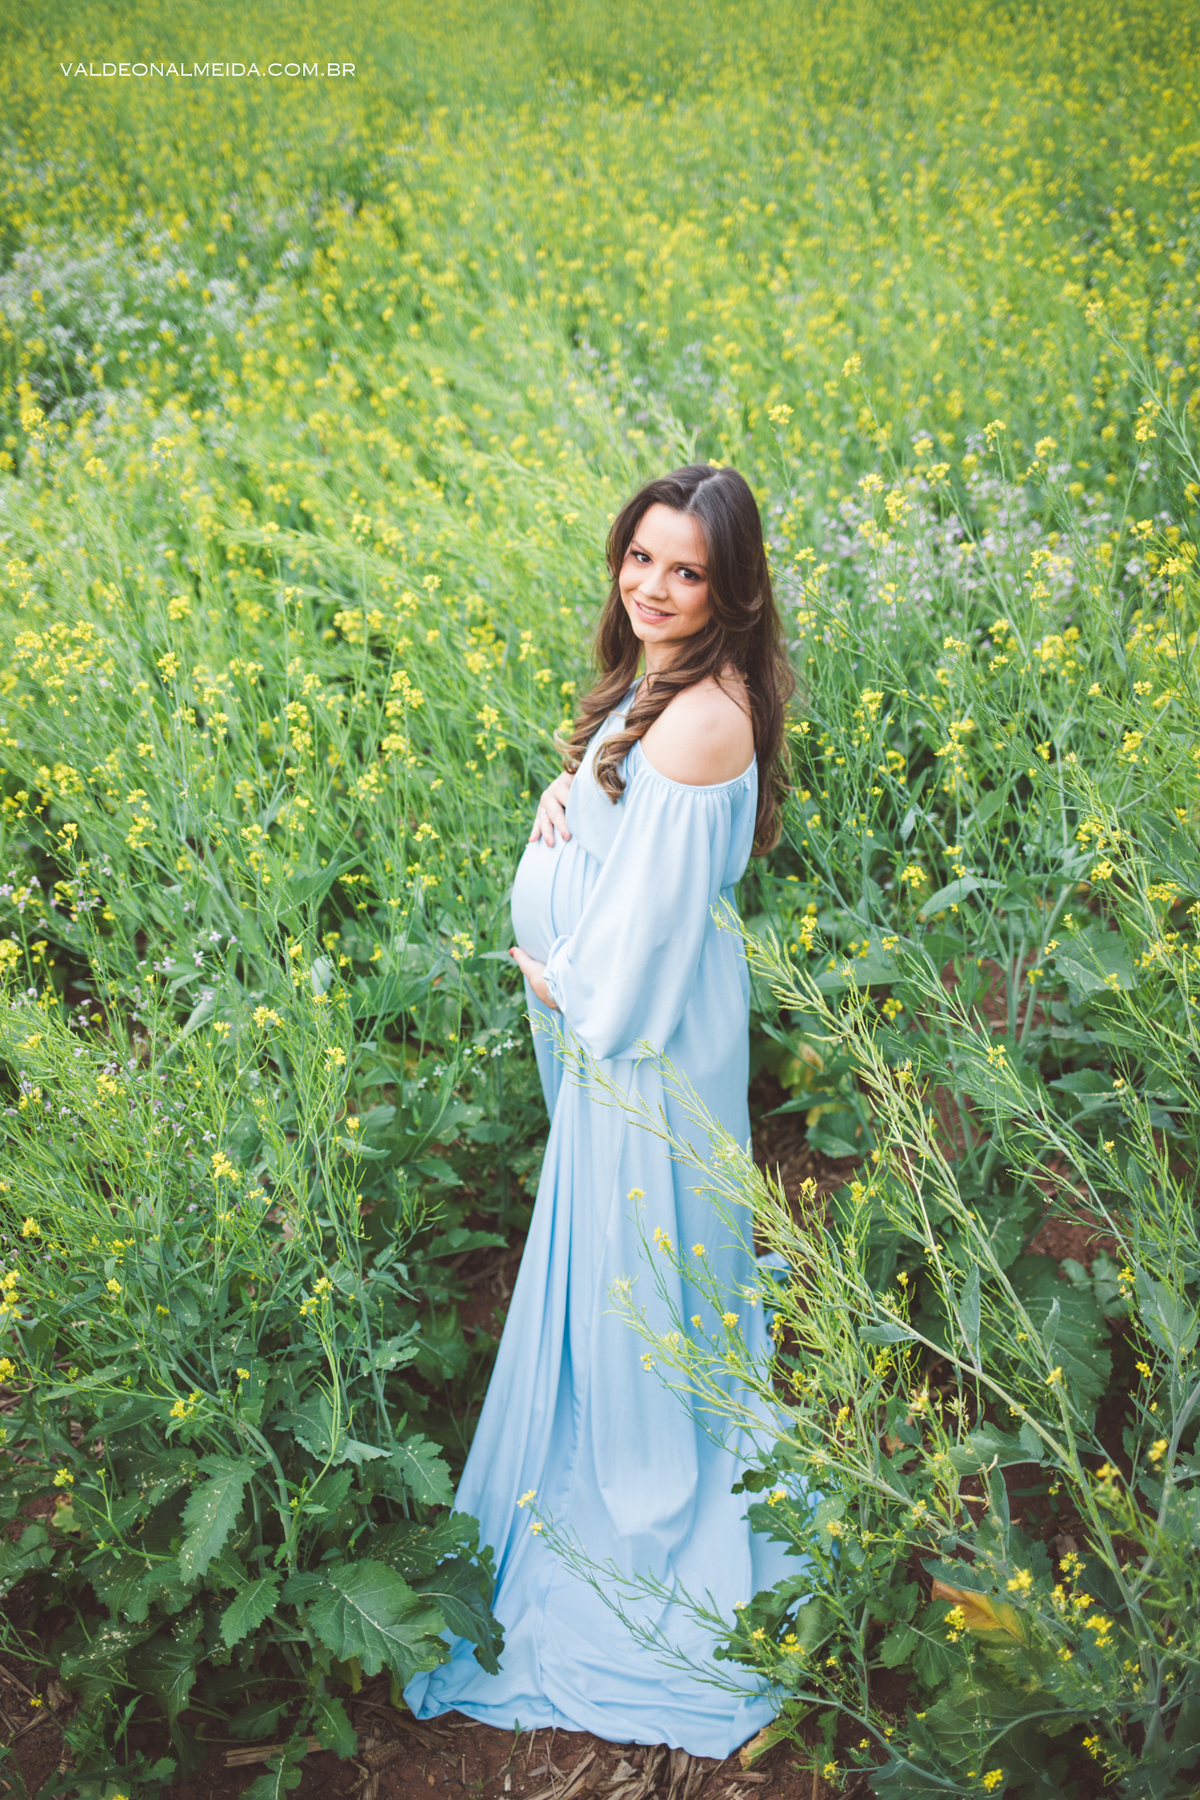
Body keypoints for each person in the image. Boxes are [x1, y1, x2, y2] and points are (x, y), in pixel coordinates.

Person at [404, 464, 795, 1755]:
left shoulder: (698, 719)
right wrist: (561, 801)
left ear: (730, 587)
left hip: (644, 1051)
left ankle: (640, 1512)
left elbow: (642, 952)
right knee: (642, 1279)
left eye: (686, 571)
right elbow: (625, 841)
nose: (655, 588)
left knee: (642, 1281)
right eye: (641, 559)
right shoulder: (663, 686)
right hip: (636, 1045)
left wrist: (559, 976)